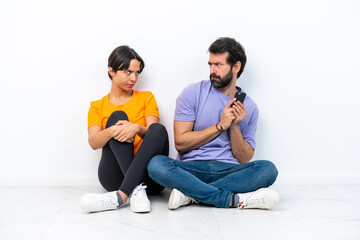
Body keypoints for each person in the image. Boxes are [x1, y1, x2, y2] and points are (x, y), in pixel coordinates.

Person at [147, 37, 280, 210]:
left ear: (236, 67)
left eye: (218, 65)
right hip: (191, 170)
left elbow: (244, 158)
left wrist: (233, 125)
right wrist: (221, 126)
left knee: (268, 170)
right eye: (210, 64)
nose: (212, 70)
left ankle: (191, 195)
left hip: (228, 170)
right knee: (156, 164)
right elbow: (180, 143)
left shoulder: (250, 108)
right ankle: (231, 199)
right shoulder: (192, 93)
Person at [80, 46, 169, 213]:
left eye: (137, 73)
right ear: (111, 71)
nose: (134, 78)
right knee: (116, 117)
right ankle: (135, 190)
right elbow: (93, 142)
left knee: (158, 128)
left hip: (149, 177)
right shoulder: (97, 106)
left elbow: (154, 136)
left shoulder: (146, 98)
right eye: (128, 72)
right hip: (114, 177)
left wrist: (135, 129)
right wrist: (113, 130)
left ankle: (124, 194)